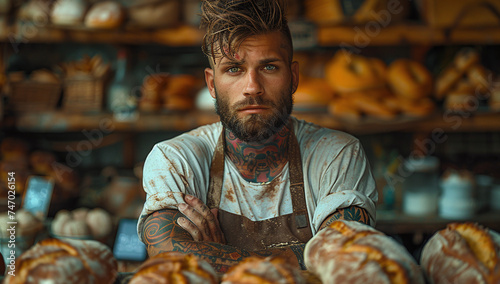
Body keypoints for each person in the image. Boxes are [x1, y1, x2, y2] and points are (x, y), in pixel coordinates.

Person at [138, 0, 377, 272]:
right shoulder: (175, 159)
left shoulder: (337, 154)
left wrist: (217, 256)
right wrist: (306, 258)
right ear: (212, 84)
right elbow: (166, 257)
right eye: (234, 69)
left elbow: (344, 258)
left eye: (269, 67)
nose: (252, 87)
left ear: (294, 77)